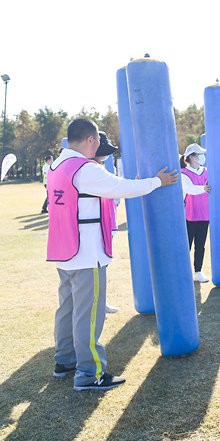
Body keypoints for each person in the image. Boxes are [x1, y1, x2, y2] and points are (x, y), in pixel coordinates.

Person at [47, 118, 177, 391]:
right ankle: (89, 374)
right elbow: (121, 189)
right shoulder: (84, 168)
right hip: (86, 252)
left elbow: (111, 187)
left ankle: (65, 361)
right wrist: (157, 181)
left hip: (65, 250)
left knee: (67, 309)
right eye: (97, 141)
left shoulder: (57, 165)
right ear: (90, 140)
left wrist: (134, 184)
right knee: (88, 315)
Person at [92, 132, 121, 314]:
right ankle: (98, 302)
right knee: (97, 266)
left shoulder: (100, 168)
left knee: (103, 265)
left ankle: (101, 301)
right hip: (99, 225)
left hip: (108, 222)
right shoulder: (92, 170)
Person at [180, 144, 212, 283]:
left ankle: (198, 271)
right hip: (190, 215)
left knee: (200, 245)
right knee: (186, 245)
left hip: (204, 214)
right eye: (199, 154)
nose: (202, 157)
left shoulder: (206, 171)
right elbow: (190, 189)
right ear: (192, 157)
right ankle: (182, 272)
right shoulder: (183, 173)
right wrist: (203, 189)